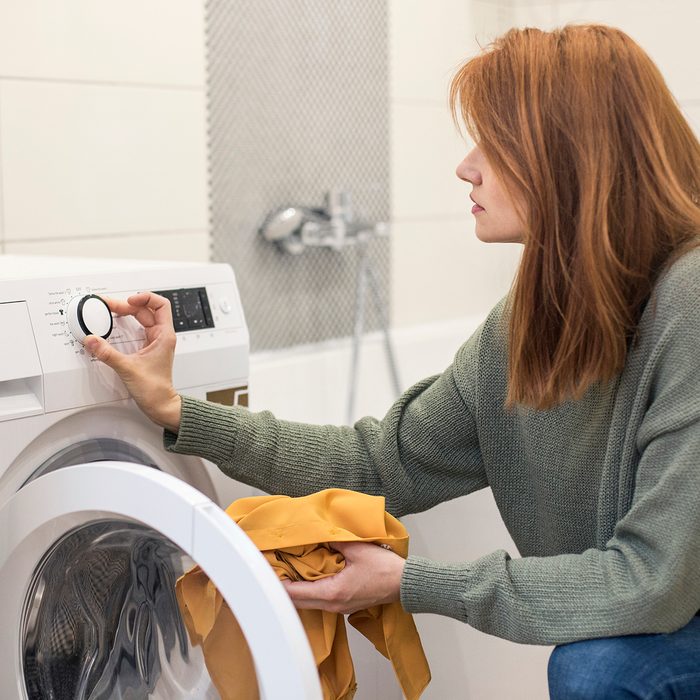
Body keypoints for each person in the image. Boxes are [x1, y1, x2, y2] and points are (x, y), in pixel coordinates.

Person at [85, 24, 700, 699]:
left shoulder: (689, 299)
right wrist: (178, 410)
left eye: (493, 144)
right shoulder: (531, 323)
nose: (467, 167)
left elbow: (654, 579)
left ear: (570, 156)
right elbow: (380, 464)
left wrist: (411, 582)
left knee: (595, 671)